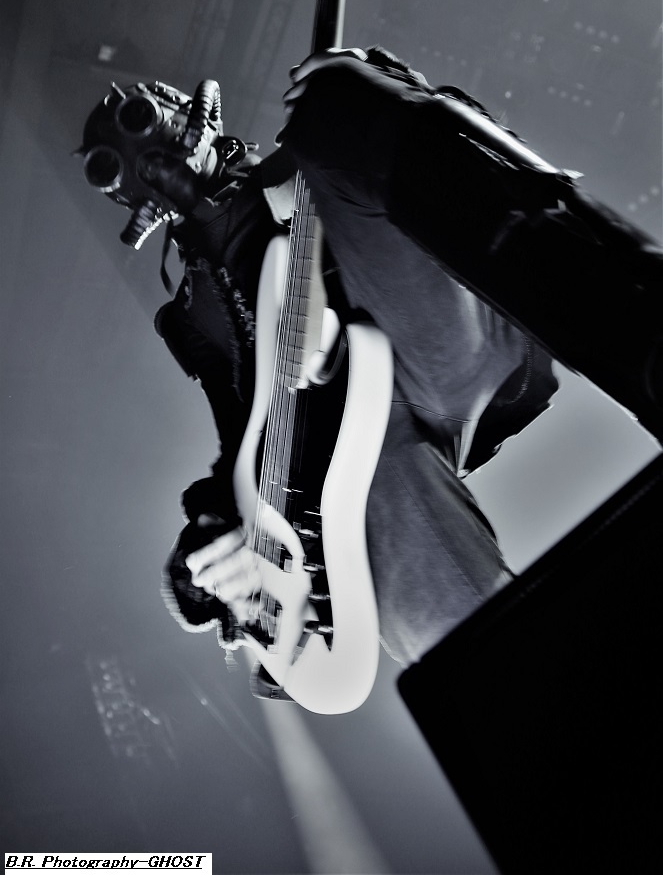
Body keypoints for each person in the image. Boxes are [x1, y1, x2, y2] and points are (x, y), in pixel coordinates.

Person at [79, 45, 663, 685]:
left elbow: (450, 167)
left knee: (328, 116)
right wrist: (209, 549)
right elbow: (244, 431)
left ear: (186, 109)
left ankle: (649, 335)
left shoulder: (301, 164)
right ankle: (532, 701)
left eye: (141, 118)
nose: (147, 153)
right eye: (117, 163)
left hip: (438, 333)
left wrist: (384, 83)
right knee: (360, 508)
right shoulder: (192, 312)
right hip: (370, 427)